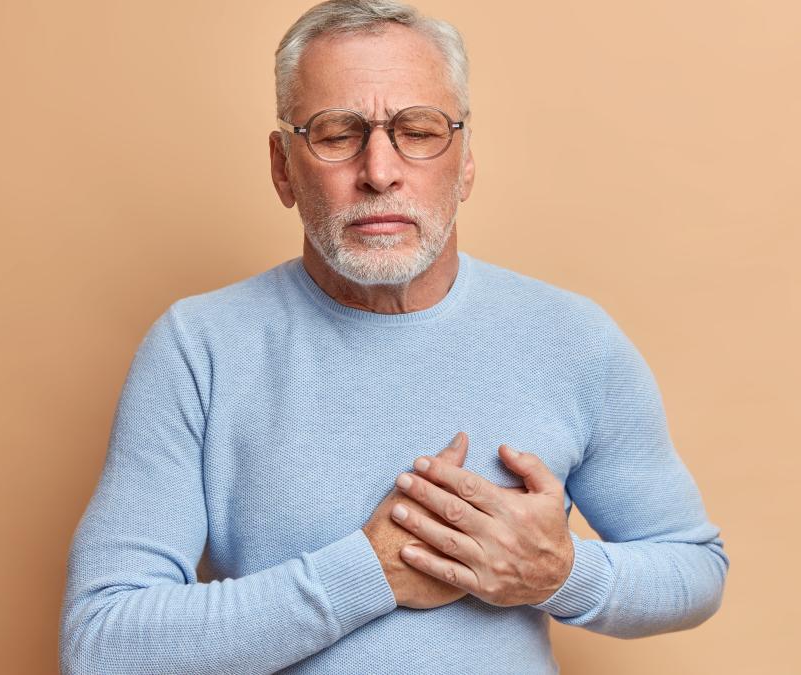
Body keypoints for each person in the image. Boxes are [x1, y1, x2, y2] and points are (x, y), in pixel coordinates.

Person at [58, 1, 729, 672]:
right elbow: (102, 641)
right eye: (336, 132)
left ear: (465, 161)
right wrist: (366, 574)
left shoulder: (575, 339)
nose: (379, 171)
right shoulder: (197, 348)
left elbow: (696, 568)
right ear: (282, 166)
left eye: (418, 129)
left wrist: (559, 572)